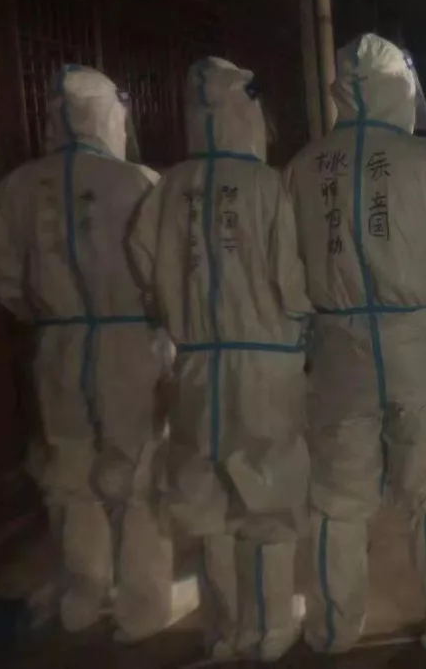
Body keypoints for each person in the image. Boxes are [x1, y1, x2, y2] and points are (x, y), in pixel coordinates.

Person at [284, 34, 426, 655]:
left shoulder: (305, 166)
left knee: (337, 498)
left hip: (337, 346)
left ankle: (334, 628)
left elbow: (287, 268)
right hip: (415, 339)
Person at [128, 58, 311, 661]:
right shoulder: (266, 186)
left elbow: (143, 267)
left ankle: (225, 629)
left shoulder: (167, 189)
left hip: (196, 366)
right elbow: (293, 280)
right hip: (264, 363)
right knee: (268, 493)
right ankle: (271, 626)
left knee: (206, 499)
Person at [0, 65, 173, 640]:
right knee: (138, 472)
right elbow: (167, 275)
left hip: (59, 346)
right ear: (111, 116)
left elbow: (6, 282)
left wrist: (52, 318)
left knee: (68, 475)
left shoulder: (15, 189)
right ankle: (143, 608)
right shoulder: (141, 182)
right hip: (131, 347)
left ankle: (82, 596)